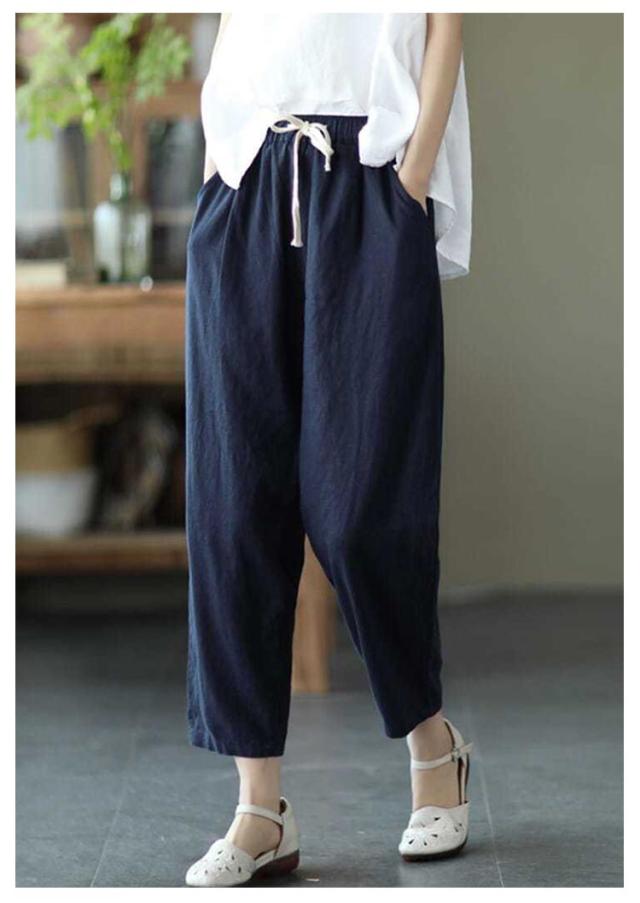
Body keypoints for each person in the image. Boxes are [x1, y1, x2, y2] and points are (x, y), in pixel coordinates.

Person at [184, 12, 473, 887]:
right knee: (235, 505)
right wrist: (223, 162)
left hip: (370, 177)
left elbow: (446, 20)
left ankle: (433, 742)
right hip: (247, 178)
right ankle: (260, 807)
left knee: (361, 511)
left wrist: (412, 177)